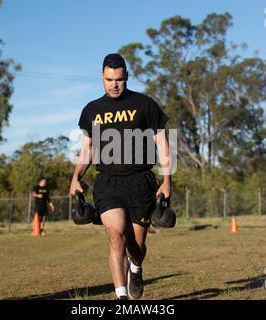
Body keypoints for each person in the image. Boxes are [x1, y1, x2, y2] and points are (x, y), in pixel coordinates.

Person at [69, 53, 171, 300]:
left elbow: (162, 143)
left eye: (119, 79)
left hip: (141, 181)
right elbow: (88, 149)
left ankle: (135, 268)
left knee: (135, 247)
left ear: (127, 77)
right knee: (116, 238)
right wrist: (75, 177)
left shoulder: (146, 105)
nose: (114, 84)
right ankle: (121, 297)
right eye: (109, 79)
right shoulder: (92, 110)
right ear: (102, 78)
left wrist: (167, 179)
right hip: (108, 182)